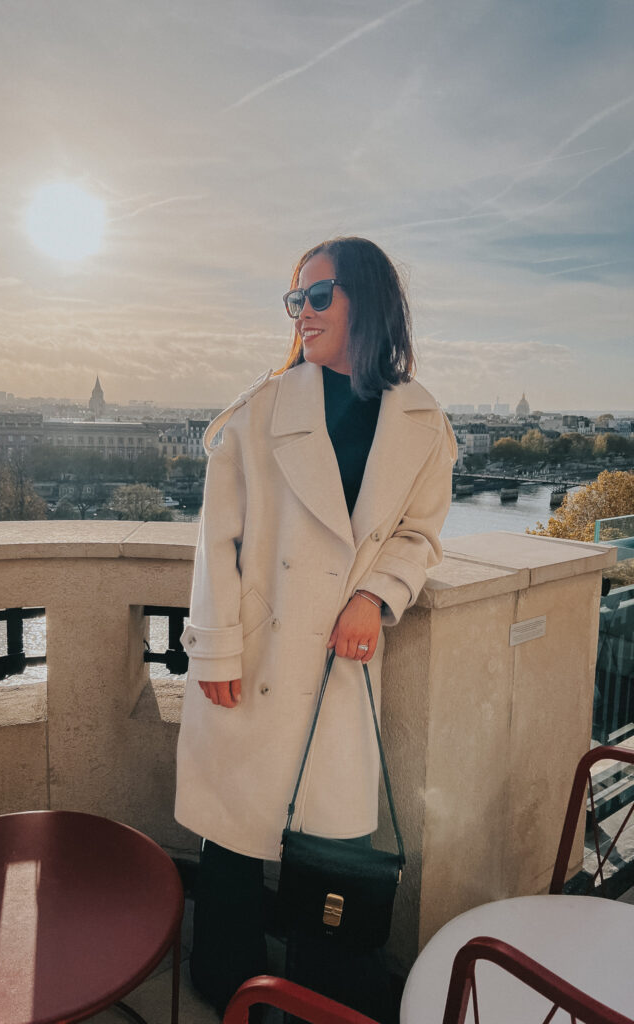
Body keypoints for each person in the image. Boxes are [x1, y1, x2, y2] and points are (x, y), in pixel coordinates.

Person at [175, 236, 456, 1016]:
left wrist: (376, 595)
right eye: (294, 299)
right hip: (254, 657)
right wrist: (218, 650)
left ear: (368, 299)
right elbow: (216, 543)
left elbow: (421, 533)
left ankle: (313, 998)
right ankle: (224, 984)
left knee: (330, 848)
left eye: (319, 295)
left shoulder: (425, 423)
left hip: (340, 669)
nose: (302, 313)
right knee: (231, 844)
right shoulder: (256, 414)